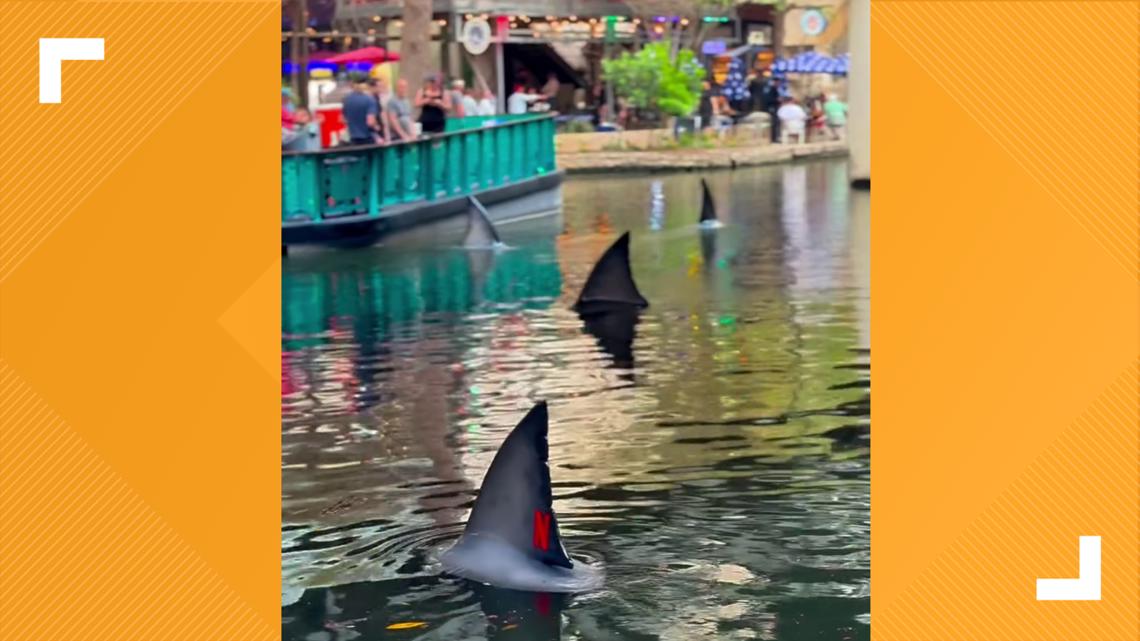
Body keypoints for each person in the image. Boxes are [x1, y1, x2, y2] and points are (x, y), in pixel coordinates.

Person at [342, 77, 381, 145]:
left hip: (353, 138)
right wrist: (376, 126)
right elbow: (370, 122)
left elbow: (343, 120)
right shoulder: (370, 100)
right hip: (368, 138)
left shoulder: (347, 100)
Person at [761, 74, 782, 143]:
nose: (778, 84)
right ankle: (773, 138)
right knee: (773, 123)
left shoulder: (775, 89)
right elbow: (768, 99)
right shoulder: (771, 89)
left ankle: (776, 137)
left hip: (775, 108)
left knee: (776, 123)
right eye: (777, 82)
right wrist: (777, 100)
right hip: (772, 108)